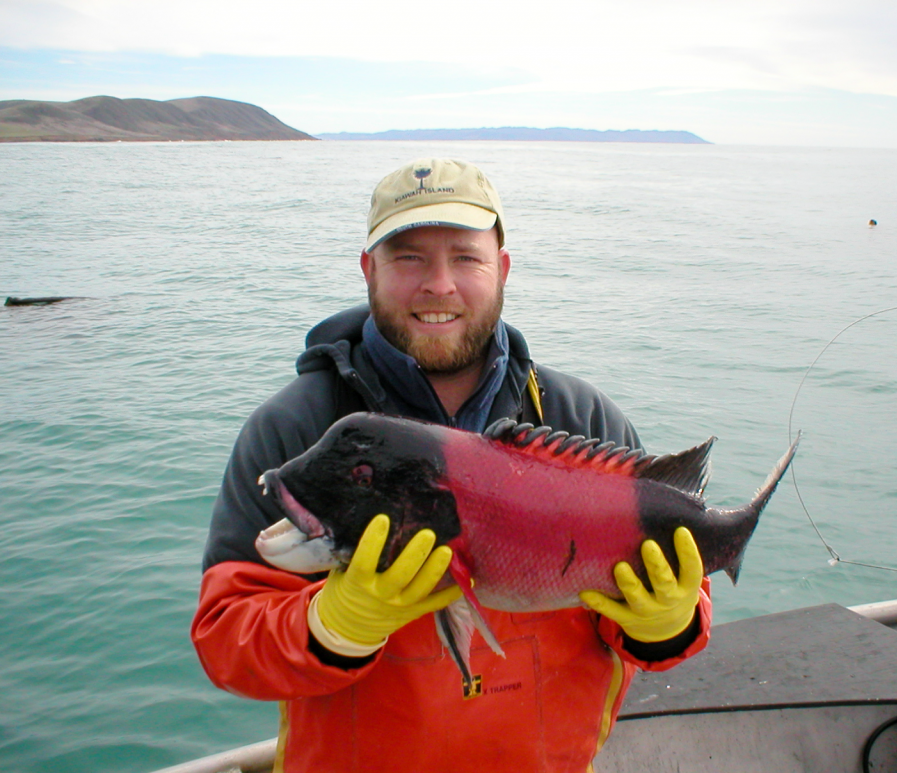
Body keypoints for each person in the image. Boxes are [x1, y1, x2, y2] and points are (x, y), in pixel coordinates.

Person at [191, 158, 712, 772]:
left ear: (503, 269)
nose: (439, 284)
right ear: (369, 271)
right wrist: (330, 626)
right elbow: (228, 641)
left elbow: (671, 609)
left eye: (466, 257)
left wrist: (668, 623)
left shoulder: (582, 420)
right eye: (408, 257)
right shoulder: (296, 430)